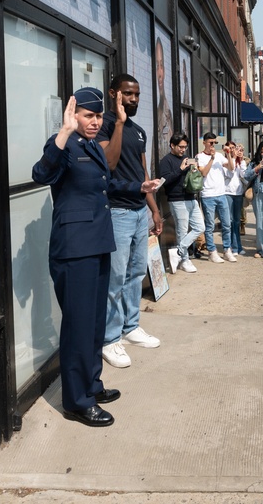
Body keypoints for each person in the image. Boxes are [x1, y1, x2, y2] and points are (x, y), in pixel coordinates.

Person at [32, 88, 159, 426]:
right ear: (74, 115)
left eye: (98, 116)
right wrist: (63, 132)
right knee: (78, 325)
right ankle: (77, 401)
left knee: (95, 322)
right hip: (74, 249)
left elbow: (106, 184)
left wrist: (139, 189)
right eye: (89, 115)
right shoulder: (62, 144)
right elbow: (41, 174)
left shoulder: (92, 146)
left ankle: (91, 384)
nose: (95, 121)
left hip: (98, 243)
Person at [97, 74, 163, 369]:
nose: (133, 99)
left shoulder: (138, 131)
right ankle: (110, 339)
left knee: (136, 273)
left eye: (136, 94)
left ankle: (130, 326)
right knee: (115, 277)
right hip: (116, 211)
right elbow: (107, 167)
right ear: (114, 94)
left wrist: (154, 210)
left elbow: (143, 174)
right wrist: (119, 123)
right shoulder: (105, 124)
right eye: (127, 94)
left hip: (138, 211)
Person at [159, 133, 203, 274]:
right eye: (181, 147)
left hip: (191, 196)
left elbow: (194, 177)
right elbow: (165, 181)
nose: (183, 150)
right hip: (177, 199)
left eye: (185, 147)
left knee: (200, 227)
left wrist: (194, 169)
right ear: (172, 145)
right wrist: (180, 169)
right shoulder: (166, 161)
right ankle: (184, 260)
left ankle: (178, 251)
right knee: (182, 231)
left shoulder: (186, 158)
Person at [197, 133, 237, 263]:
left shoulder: (220, 156)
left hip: (221, 194)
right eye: (210, 143)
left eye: (215, 143)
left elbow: (231, 168)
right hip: (208, 195)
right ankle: (212, 251)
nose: (213, 145)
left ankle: (227, 249)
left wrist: (229, 154)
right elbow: (203, 172)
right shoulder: (200, 156)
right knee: (209, 225)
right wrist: (212, 159)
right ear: (204, 143)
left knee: (227, 224)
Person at [222, 141, 248, 256]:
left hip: (238, 193)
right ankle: (232, 246)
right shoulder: (225, 161)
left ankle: (237, 245)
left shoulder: (240, 162)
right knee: (230, 221)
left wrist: (241, 160)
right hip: (227, 192)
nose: (233, 150)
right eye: (231, 148)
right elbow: (230, 173)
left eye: (234, 148)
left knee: (237, 221)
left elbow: (243, 175)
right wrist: (232, 157)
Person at [155, 38, 174, 159]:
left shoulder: (168, 110)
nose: (159, 73)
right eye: (157, 66)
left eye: (161, 65)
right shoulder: (156, 111)